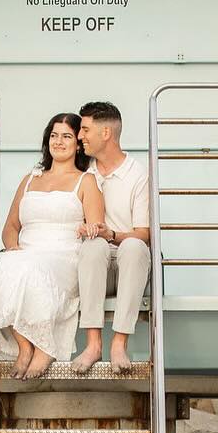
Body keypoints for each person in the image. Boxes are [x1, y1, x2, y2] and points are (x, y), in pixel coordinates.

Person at [0, 113, 105, 379]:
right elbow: (10, 227)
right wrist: (12, 248)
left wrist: (91, 228)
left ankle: (45, 348)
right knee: (5, 264)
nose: (59, 141)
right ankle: (24, 346)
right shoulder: (30, 179)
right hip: (25, 253)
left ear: (77, 143)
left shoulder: (86, 181)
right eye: (54, 135)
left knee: (31, 268)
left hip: (63, 256)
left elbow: (97, 224)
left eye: (66, 136)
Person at [74, 100, 151, 372]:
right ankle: (93, 344)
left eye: (85, 129)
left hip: (130, 263)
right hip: (96, 265)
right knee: (93, 247)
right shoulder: (84, 173)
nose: (80, 136)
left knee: (134, 245)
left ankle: (119, 344)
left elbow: (145, 234)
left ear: (105, 133)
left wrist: (112, 234)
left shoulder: (138, 174)